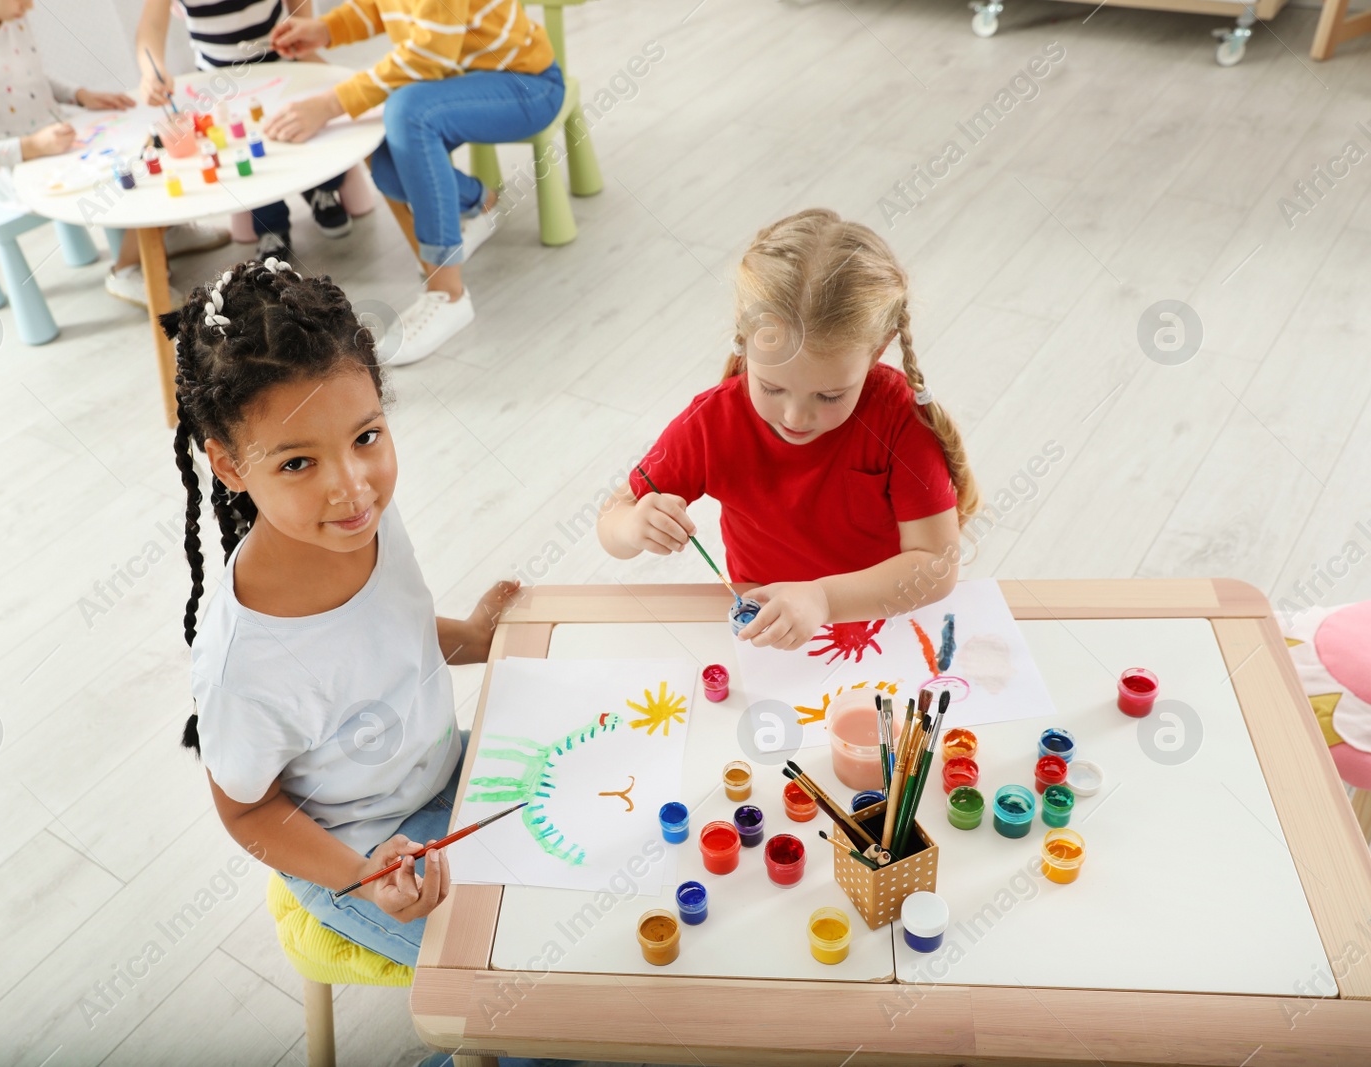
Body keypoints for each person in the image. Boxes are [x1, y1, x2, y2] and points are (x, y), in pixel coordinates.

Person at [168, 258, 587, 1067]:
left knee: (614, 921)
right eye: (298, 462)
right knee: (547, 1002)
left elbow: (395, 636)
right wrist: (364, 872)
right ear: (227, 465)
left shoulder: (364, 525)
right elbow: (245, 811)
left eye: (366, 437)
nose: (353, 486)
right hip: (361, 854)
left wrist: (474, 632)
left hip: (454, 779)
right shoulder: (242, 662)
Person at [597, 209, 981, 647]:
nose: (796, 418)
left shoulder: (898, 421)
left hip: (881, 624)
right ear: (744, 338)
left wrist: (823, 599)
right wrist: (632, 527)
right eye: (772, 387)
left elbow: (936, 564)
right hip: (764, 634)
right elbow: (614, 518)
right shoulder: (713, 421)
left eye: (830, 396)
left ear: (879, 350)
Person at [263, 0, 566, 366]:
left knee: (407, 111)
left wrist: (329, 104)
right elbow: (381, 6)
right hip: (458, 84)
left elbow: (428, 55)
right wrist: (326, 30)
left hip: (526, 85)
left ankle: (448, 295)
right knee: (390, 166)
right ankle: (482, 203)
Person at [0, 0, 228, 307]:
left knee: (152, 141)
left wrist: (79, 95)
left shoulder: (6, 14)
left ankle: (167, 232)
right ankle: (126, 269)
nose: (29, 6)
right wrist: (33, 145)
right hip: (17, 167)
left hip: (58, 137)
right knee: (134, 169)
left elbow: (30, 77)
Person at [135, 0, 354, 259]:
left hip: (281, 66)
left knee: (306, 124)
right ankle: (270, 227)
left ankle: (323, 189)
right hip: (218, 84)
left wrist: (303, 27)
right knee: (244, 151)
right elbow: (151, 27)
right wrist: (152, 71)